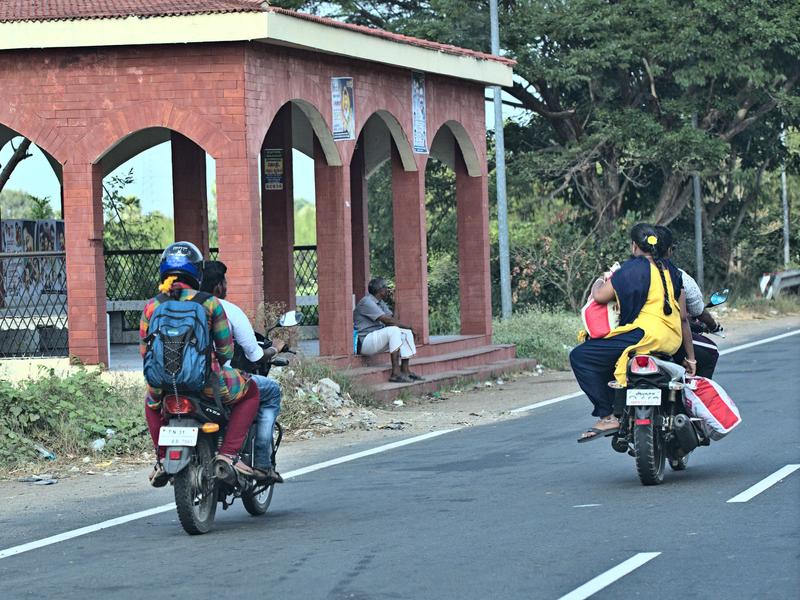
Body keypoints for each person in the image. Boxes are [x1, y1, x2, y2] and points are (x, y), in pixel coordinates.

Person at [141, 242, 260, 487]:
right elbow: (226, 351)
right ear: (196, 272)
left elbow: (145, 352)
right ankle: (227, 454)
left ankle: (162, 458)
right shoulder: (209, 303)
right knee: (252, 392)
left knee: (151, 404)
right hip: (207, 384)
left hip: (164, 385)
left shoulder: (152, 306)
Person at [569, 223, 696, 442]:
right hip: (671, 338)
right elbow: (683, 316)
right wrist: (691, 358)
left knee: (581, 356)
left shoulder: (634, 267)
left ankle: (608, 415)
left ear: (634, 245)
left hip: (645, 335)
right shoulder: (670, 269)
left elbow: (600, 296)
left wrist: (601, 279)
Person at [201, 260, 284, 483]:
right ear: (218, 285)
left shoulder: (178, 306)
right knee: (269, 390)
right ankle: (263, 464)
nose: (226, 287)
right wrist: (275, 348)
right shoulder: (226, 310)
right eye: (225, 282)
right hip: (218, 380)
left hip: (178, 383)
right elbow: (254, 355)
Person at [653, 225, 722, 378]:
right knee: (710, 352)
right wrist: (691, 358)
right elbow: (686, 317)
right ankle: (696, 397)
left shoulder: (626, 273)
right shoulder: (678, 277)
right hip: (666, 339)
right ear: (669, 250)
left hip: (633, 339)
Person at [354, 277, 424, 383]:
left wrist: (396, 303)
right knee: (394, 330)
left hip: (375, 339)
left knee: (405, 332)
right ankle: (395, 373)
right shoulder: (367, 302)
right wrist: (409, 326)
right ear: (380, 290)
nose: (387, 290)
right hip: (365, 342)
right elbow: (387, 321)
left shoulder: (380, 302)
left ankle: (405, 370)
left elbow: (393, 319)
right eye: (386, 287)